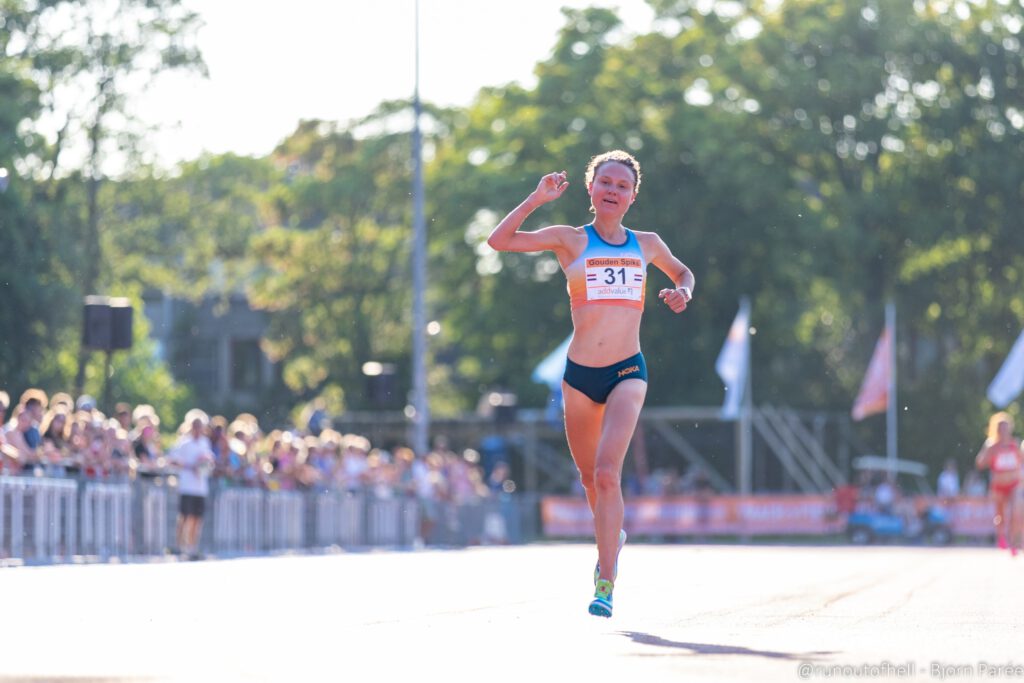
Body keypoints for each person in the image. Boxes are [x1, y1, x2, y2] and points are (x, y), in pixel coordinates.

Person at [487, 150, 694, 617]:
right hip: (580, 377)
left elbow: (684, 271)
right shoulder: (570, 240)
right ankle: (610, 535)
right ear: (591, 190)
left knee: (606, 473)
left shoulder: (648, 243)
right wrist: (536, 198)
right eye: (606, 183)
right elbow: (499, 241)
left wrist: (683, 292)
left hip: (627, 371)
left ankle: (606, 581)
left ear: (633, 196)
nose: (614, 191)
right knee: (587, 478)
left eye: (623, 185)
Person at [168, 409, 216, 559]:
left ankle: (192, 547)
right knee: (184, 516)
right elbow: (173, 459)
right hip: (187, 485)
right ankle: (179, 545)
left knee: (197, 518)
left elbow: (209, 461)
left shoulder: (205, 442)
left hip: (200, 486)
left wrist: (205, 465)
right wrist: (190, 466)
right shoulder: (184, 442)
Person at [975, 411, 1023, 552]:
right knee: (1000, 514)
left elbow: (1021, 460)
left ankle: (1015, 542)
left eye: (1006, 427)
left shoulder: (1015, 444)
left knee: (1016, 512)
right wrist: (989, 452)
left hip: (1014, 484)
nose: (1004, 431)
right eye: (1001, 428)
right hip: (998, 486)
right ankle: (1002, 536)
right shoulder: (991, 445)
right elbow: (979, 463)